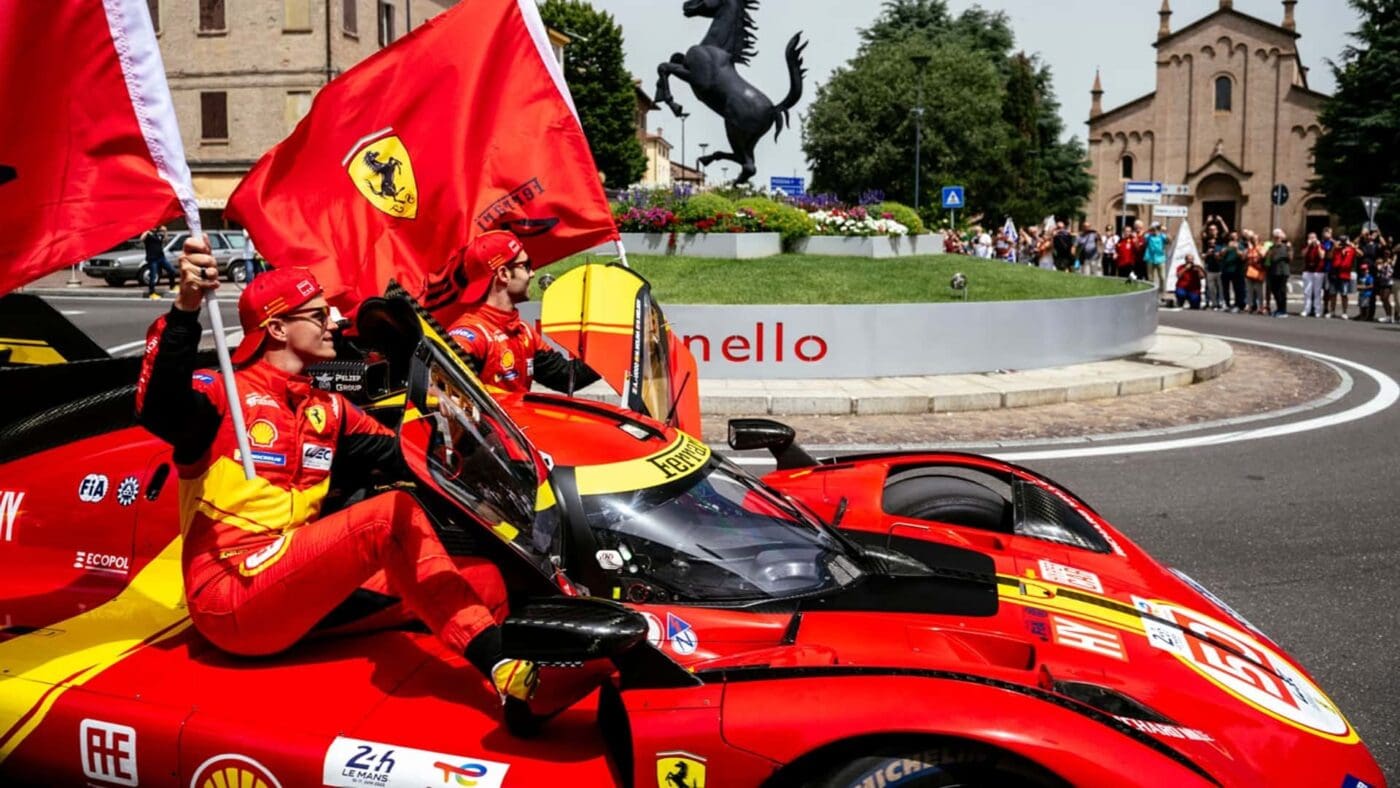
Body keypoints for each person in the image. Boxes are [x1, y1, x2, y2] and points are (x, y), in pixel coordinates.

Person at [136, 237, 540, 719]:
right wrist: (185, 308)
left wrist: (498, 455)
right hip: (229, 595)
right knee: (389, 516)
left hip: (295, 587)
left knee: (485, 580)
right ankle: (500, 665)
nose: (335, 322)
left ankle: (518, 687)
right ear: (277, 328)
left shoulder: (329, 408)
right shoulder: (222, 394)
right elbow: (157, 406)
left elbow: (411, 456)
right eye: (318, 315)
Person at [445, 230, 599, 394]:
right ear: (503, 274)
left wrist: (613, 351)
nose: (532, 274)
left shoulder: (524, 331)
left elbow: (567, 377)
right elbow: (443, 386)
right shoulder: (472, 335)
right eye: (526, 265)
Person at [142, 225, 175, 299]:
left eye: (156, 227)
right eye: (153, 227)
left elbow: (165, 240)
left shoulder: (158, 235)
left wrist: (165, 231)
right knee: (153, 276)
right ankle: (152, 293)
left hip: (161, 258)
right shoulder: (148, 235)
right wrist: (146, 231)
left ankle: (172, 287)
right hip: (152, 259)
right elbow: (141, 239)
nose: (155, 228)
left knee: (171, 270)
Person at [1266, 229, 1292, 318]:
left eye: (1278, 237)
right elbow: (1270, 258)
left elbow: (1290, 258)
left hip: (1283, 271)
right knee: (1274, 290)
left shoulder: (1286, 247)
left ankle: (1283, 310)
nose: (1277, 239)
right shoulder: (1272, 247)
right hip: (1273, 271)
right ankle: (1279, 308)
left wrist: (1289, 250)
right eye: (1275, 237)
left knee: (1282, 291)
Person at [1329, 235, 1356, 319]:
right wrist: (1334, 247)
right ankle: (1332, 311)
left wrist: (1352, 245)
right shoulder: (1336, 249)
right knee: (1333, 294)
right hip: (1334, 274)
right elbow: (1329, 256)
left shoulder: (1351, 249)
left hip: (1345, 274)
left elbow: (1360, 254)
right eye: (1341, 241)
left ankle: (1344, 312)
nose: (1342, 243)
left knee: (1344, 294)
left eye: (1344, 241)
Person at [1300, 233, 1325, 317]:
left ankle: (1317, 310)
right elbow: (1303, 254)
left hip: (1318, 271)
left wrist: (1318, 246)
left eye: (1313, 237)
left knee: (1317, 292)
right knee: (1307, 291)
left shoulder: (1320, 246)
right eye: (1310, 238)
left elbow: (1322, 256)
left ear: (1316, 238)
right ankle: (1306, 310)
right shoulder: (1306, 246)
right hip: (1308, 271)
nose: (1311, 239)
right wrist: (1308, 246)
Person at [1142, 222, 1169, 298]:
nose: (1155, 230)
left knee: (1162, 277)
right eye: (1154, 228)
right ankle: (1151, 292)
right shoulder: (1148, 236)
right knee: (1150, 277)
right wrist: (1149, 230)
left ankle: (1162, 292)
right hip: (1150, 258)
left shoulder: (1162, 236)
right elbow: (1144, 238)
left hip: (1160, 258)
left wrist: (1165, 232)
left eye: (1157, 228)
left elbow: (1169, 241)